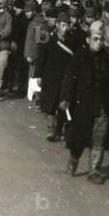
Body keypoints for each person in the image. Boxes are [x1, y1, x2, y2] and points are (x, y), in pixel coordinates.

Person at [59, 21, 109, 184]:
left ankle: (95, 170)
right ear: (88, 40)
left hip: (103, 106)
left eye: (100, 39)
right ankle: (74, 158)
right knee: (79, 137)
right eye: (95, 39)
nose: (98, 42)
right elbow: (69, 79)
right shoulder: (79, 58)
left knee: (100, 137)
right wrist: (65, 98)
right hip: (82, 106)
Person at [34, 12, 74, 142]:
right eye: (63, 25)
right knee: (50, 104)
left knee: (62, 104)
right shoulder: (48, 39)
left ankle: (58, 129)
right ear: (57, 25)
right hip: (50, 77)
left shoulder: (71, 41)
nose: (65, 28)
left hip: (65, 78)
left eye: (67, 25)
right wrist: (38, 75)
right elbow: (41, 58)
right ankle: (51, 129)